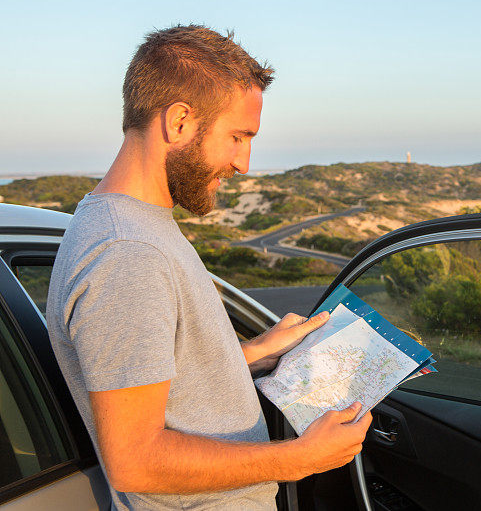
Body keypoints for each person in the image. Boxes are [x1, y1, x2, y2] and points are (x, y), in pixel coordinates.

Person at [46, 25, 372, 510]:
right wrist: (299, 458)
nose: (245, 163)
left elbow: (153, 380)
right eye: (238, 136)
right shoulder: (126, 254)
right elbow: (136, 459)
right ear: (178, 122)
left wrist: (252, 351)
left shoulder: (135, 227)